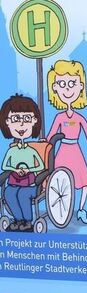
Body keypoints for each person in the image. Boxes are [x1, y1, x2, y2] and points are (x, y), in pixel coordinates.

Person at [46, 60, 87, 225]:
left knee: (84, 183)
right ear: (55, 88)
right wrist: (43, 146)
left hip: (76, 150)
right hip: (63, 150)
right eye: (62, 84)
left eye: (72, 83)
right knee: (59, 180)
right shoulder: (59, 116)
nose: (67, 89)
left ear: (81, 87)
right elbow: (51, 135)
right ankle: (61, 210)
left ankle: (81, 210)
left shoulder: (80, 118)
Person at [0, 95, 45, 232]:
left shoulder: (31, 151)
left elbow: (41, 166)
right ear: (7, 122)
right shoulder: (12, 151)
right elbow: (4, 166)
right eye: (15, 119)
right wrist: (14, 169)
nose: (21, 124)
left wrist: (28, 170)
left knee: (23, 194)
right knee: (9, 193)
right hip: (14, 182)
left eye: (26, 119)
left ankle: (27, 221)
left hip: (30, 184)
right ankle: (18, 219)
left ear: (34, 121)